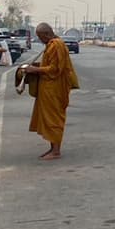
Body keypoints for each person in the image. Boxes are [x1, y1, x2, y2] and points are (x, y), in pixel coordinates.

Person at [23, 22, 79, 160]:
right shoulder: (51, 44)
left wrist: (35, 70)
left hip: (55, 88)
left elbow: (55, 69)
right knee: (48, 117)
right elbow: (50, 64)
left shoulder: (56, 45)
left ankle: (56, 151)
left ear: (47, 34)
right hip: (48, 87)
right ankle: (52, 148)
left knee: (53, 118)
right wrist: (37, 66)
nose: (40, 40)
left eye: (40, 36)